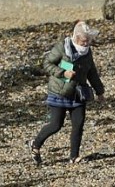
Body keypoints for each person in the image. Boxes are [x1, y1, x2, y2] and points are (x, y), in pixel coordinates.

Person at [29, 20, 105, 165]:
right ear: (76, 37)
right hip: (59, 92)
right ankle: (35, 144)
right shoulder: (62, 48)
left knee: (78, 124)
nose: (87, 43)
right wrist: (63, 73)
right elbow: (47, 64)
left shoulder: (87, 52)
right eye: (84, 40)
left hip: (78, 93)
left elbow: (92, 73)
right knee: (56, 124)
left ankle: (74, 156)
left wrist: (99, 91)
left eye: (89, 40)